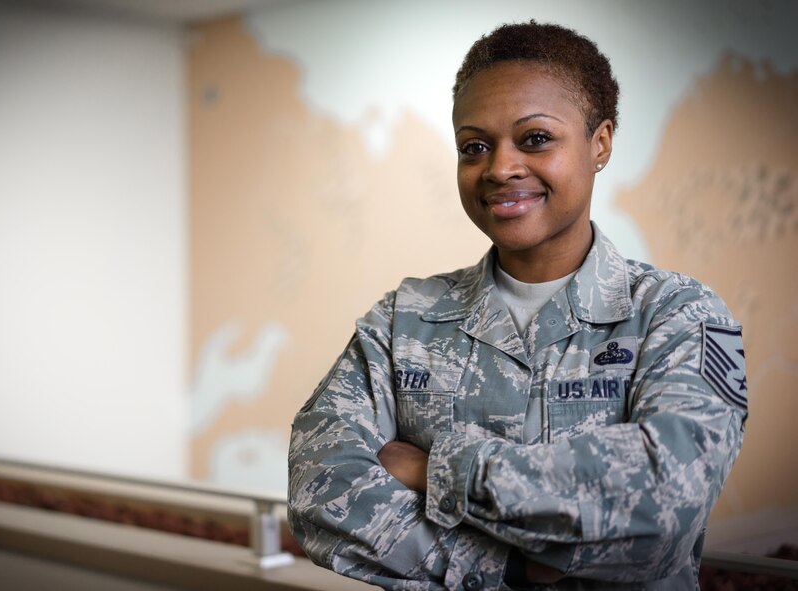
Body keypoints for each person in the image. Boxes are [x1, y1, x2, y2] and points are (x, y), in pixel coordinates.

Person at [287, 21, 747, 591]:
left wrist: (437, 471)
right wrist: (507, 569)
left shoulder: (677, 315)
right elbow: (321, 489)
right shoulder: (403, 322)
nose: (500, 168)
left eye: (535, 139)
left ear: (599, 143)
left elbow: (659, 509)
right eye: (474, 146)